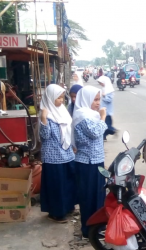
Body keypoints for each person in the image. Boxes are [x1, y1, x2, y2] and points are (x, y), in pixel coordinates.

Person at [72, 86, 108, 238]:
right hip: (87, 163)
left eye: (99, 99)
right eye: (95, 99)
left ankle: (97, 228)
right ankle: (89, 230)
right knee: (88, 198)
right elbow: (95, 133)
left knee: (98, 196)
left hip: (96, 162)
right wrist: (103, 117)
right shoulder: (82, 116)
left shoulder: (91, 115)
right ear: (86, 99)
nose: (98, 103)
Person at [39, 84, 76, 223]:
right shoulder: (46, 113)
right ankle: (56, 213)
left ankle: (68, 207)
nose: (61, 100)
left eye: (62, 97)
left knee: (69, 182)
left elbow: (70, 131)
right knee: (57, 186)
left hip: (67, 154)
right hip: (53, 156)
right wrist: (43, 119)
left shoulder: (63, 111)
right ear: (50, 97)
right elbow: (45, 136)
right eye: (58, 97)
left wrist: (73, 145)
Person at [98, 76, 117, 140]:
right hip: (103, 110)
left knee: (106, 125)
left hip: (107, 111)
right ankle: (104, 137)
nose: (100, 84)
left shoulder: (109, 90)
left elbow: (109, 100)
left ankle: (113, 130)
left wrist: (103, 96)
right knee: (104, 124)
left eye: (101, 83)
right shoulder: (104, 89)